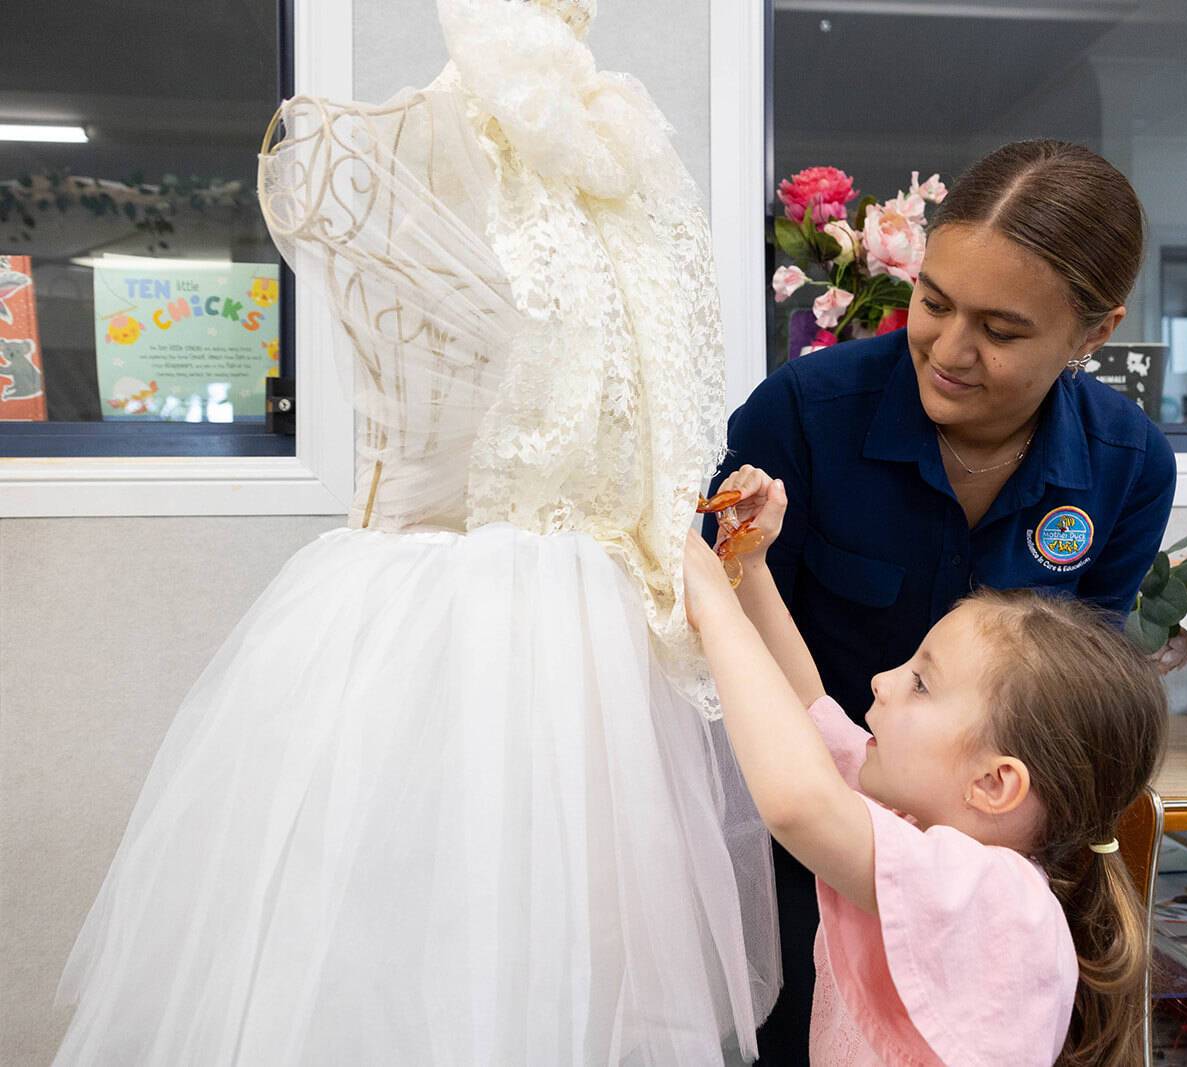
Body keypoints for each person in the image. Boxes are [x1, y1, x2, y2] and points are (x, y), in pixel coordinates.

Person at [51, 1, 777, 1062]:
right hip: (407, 640)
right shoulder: (350, 141)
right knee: (371, 964)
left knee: (577, 976)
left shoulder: (621, 157)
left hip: (596, 662)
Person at [709, 139, 1176, 1055]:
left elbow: (1077, 708)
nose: (950, 350)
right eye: (933, 302)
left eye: (1001, 331)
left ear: (1094, 333)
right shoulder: (805, 412)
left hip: (978, 886)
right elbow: (760, 668)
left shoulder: (1126, 467)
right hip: (795, 836)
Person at [684, 465, 1169, 1066]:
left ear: (994, 782)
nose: (881, 682)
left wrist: (712, 606)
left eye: (919, 683)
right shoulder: (909, 819)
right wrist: (749, 569)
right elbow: (806, 713)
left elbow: (798, 804)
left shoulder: (1004, 903)